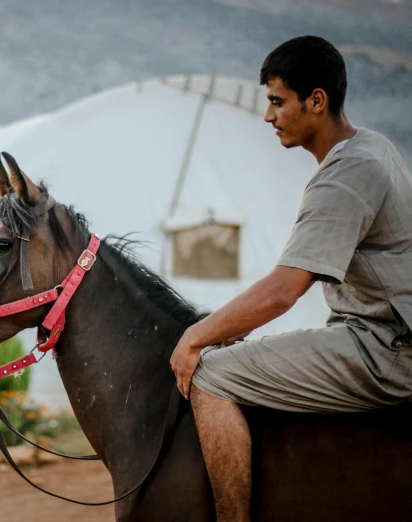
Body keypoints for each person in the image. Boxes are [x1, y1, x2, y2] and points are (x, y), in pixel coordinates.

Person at [169, 35, 412, 522]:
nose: (268, 116)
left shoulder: (345, 176)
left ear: (316, 101)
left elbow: (282, 292)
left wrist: (194, 338)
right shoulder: (376, 147)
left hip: (386, 347)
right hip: (376, 331)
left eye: (278, 102)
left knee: (212, 373)